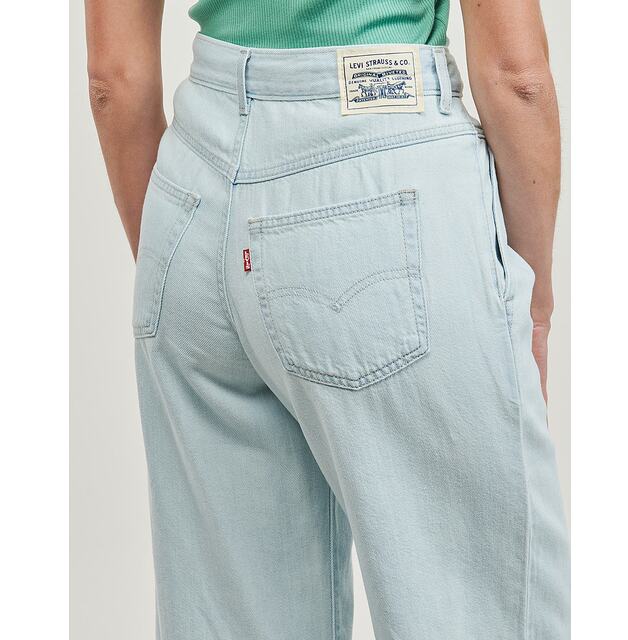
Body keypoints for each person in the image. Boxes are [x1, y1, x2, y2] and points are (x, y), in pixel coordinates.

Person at [85, 0, 569, 637]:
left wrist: (177, 259)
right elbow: (516, 76)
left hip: (194, 183)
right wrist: (533, 299)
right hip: (381, 163)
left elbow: (114, 79)